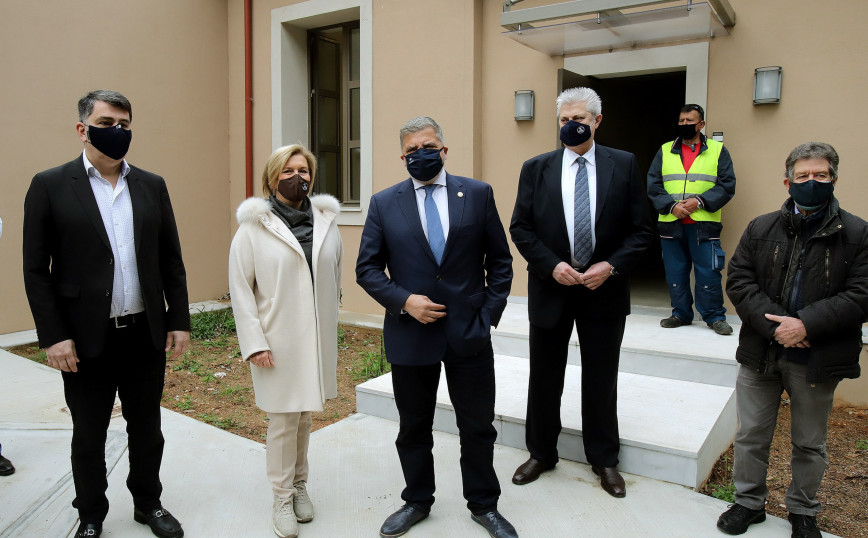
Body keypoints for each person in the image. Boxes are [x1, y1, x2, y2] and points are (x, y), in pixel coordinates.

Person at [22, 90, 190, 538]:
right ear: (83, 129)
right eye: (106, 123)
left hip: (143, 332)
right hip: (84, 338)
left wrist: (178, 319)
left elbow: (170, 259)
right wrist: (53, 335)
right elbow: (36, 270)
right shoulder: (50, 185)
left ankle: (148, 503)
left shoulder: (151, 185)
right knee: (89, 433)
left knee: (147, 428)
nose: (117, 131)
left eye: (124, 124)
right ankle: (91, 513)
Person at [356, 117, 515, 538]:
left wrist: (487, 316)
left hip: (469, 333)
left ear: (443, 149)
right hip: (411, 335)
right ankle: (417, 500)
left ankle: (484, 505)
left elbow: (500, 262)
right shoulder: (384, 203)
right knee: (413, 427)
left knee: (477, 426)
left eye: (428, 146)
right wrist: (404, 301)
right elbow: (367, 269)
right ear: (402, 156)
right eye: (412, 149)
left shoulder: (477, 194)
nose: (420, 154)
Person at [717, 142, 867, 538]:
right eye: (803, 175)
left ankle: (802, 511)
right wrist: (777, 328)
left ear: (833, 179)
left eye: (820, 175)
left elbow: (861, 294)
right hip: (761, 351)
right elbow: (740, 281)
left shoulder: (857, 233)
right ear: (788, 182)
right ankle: (748, 503)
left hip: (817, 355)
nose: (811, 181)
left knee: (809, 442)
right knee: (751, 434)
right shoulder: (760, 228)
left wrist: (806, 325)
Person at [509, 87, 653, 498]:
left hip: (603, 291)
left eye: (579, 119)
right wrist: (551, 265)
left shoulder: (623, 164)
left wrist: (611, 266)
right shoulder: (536, 168)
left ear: (597, 121)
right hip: (551, 288)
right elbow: (521, 227)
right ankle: (541, 453)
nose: (570, 126)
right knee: (544, 376)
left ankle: (604, 459)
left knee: (601, 378)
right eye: (564, 120)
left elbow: (641, 230)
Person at [228, 144, 342, 538]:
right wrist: (254, 342)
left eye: (304, 170)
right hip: (276, 340)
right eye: (288, 171)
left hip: (315, 338)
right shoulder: (253, 226)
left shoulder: (326, 221)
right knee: (282, 419)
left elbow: (334, 274)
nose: (298, 177)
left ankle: (299, 484)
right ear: (273, 177)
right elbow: (241, 289)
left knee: (305, 415)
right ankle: (281, 496)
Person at [647, 104, 736, 335]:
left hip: (704, 225)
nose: (684, 124)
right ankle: (681, 313)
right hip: (671, 223)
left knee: (709, 272)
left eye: (690, 121)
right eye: (681, 121)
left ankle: (715, 317)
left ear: (701, 124)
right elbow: (653, 184)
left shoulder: (717, 150)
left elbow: (727, 185)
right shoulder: (665, 150)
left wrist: (699, 201)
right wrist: (672, 206)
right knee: (675, 272)